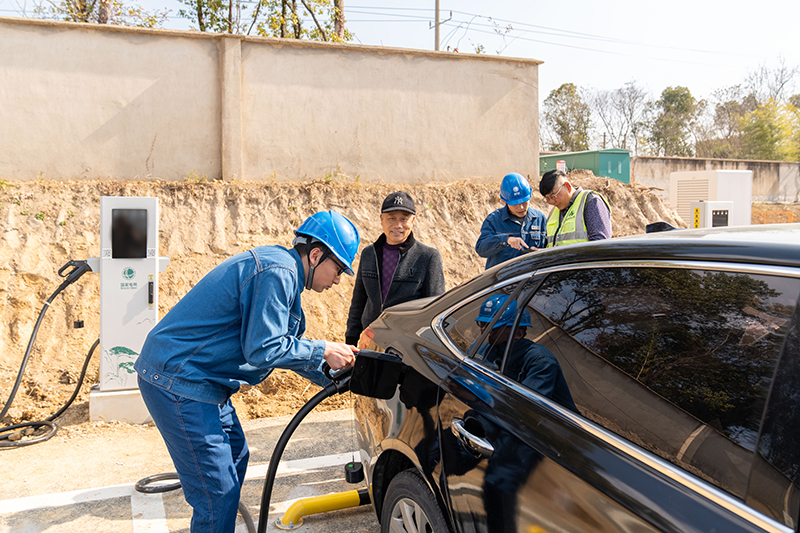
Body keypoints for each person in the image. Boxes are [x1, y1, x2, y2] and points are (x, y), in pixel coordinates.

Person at [134, 210, 360, 533]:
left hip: (203, 381)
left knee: (237, 456)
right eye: (338, 270)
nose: (338, 280)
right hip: (178, 380)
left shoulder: (285, 277)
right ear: (315, 254)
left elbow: (287, 349)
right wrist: (323, 348)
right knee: (217, 494)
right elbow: (263, 348)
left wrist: (339, 377)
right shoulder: (278, 272)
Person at [346, 191, 445, 347]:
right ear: (381, 219)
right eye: (391, 218)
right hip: (369, 342)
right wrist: (350, 340)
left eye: (404, 219)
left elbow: (434, 310)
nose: (397, 225)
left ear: (413, 221)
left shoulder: (428, 257)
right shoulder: (368, 254)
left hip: (406, 346)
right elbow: (358, 301)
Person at [473, 295, 577, 412]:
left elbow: (525, 408)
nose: (484, 331)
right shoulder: (482, 348)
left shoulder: (541, 361)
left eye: (493, 328)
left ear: (518, 334)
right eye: (482, 325)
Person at [475, 172, 547, 269]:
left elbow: (550, 247)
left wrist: (542, 253)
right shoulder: (494, 220)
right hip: (504, 281)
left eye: (524, 203)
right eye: (515, 204)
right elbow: (481, 249)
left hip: (532, 280)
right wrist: (505, 240)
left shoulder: (540, 219)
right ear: (504, 201)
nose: (521, 207)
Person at [538, 169, 612, 247]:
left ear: (567, 186)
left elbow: (600, 244)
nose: (551, 202)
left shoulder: (590, 201)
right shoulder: (553, 212)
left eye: (553, 196)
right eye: (547, 198)